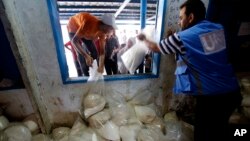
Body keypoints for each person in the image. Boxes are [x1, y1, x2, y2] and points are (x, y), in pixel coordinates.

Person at [137, 0, 242, 140]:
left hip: (212, 98)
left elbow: (156, 48)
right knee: (219, 130)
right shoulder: (217, 29)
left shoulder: (182, 37)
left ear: (191, 17)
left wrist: (143, 38)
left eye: (181, 18)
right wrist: (173, 40)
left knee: (203, 134)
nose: (179, 22)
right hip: (231, 92)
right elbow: (199, 52)